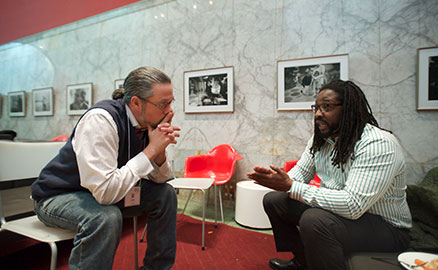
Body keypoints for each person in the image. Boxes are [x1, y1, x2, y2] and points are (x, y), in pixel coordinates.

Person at [247, 80, 412, 270]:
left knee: (315, 220)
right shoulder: (321, 140)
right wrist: (279, 181)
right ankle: (303, 262)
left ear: (349, 109)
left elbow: (353, 205)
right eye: (316, 108)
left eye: (327, 107)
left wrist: (291, 186)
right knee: (274, 201)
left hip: (387, 229)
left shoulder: (377, 144)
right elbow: (301, 172)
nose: (318, 114)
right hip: (339, 214)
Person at [31, 67, 181, 270]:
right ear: (136, 102)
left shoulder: (149, 122)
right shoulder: (101, 120)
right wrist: (151, 149)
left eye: (170, 103)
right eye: (163, 104)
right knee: (105, 217)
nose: (169, 112)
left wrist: (159, 151)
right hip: (58, 196)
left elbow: (161, 179)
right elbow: (105, 194)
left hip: (104, 192)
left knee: (166, 194)